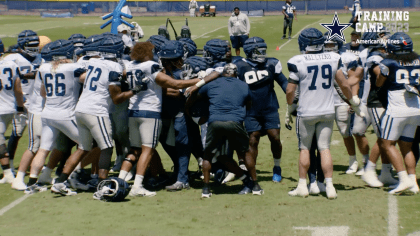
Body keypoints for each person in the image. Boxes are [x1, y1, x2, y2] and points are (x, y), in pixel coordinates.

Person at [286, 28, 364, 199]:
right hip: (328, 110)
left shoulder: (298, 60)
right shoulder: (333, 58)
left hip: (307, 112)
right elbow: (343, 84)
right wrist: (352, 101)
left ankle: (302, 186)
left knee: (305, 148)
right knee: (325, 148)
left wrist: (289, 106)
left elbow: (291, 89)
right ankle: (329, 186)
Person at [117, 41, 202, 197]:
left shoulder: (129, 66)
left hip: (134, 111)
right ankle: (138, 186)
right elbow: (175, 86)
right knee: (149, 149)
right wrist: (202, 79)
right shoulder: (151, 67)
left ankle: (119, 181)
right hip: (152, 112)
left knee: (136, 150)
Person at [189, 63, 260, 197]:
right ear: (236, 74)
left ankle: (205, 189)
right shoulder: (243, 85)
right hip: (235, 121)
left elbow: (196, 96)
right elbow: (249, 104)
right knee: (245, 153)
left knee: (208, 155)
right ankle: (255, 185)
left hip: (215, 121)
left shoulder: (212, 84)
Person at [234, 37, 288, 183]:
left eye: (264, 50)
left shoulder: (271, 63)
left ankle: (277, 167)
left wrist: (293, 98)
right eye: (259, 51)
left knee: (275, 137)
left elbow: (283, 82)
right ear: (250, 52)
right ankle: (252, 174)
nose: (263, 53)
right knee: (253, 140)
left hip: (270, 107)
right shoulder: (239, 66)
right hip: (250, 110)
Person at [376, 32, 420, 195]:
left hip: (397, 108)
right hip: (415, 107)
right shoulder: (418, 59)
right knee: (406, 147)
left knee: (387, 144)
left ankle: (403, 180)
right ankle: (413, 182)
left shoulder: (388, 61)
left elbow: (379, 82)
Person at [0, 39, 24, 184]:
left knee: (0, 141)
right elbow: (18, 89)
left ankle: (8, 173)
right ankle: (7, 172)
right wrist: (20, 107)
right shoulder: (12, 65)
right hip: (10, 107)